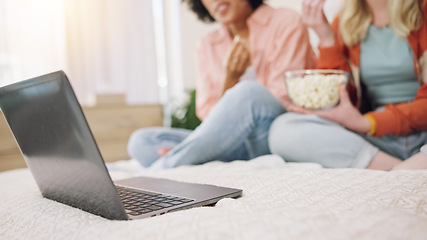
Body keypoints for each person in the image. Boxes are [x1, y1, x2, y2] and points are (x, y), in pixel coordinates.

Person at [127, 0, 317, 168]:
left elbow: (283, 96)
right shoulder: (206, 45)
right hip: (231, 143)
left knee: (249, 92)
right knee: (142, 142)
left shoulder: (286, 21)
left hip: (270, 135)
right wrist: (230, 79)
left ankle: (169, 165)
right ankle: (192, 156)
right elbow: (209, 117)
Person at [269, 0, 427, 170]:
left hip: (417, 130)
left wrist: (368, 122)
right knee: (284, 129)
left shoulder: (423, 11)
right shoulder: (345, 21)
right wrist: (326, 37)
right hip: (377, 137)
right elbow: (341, 97)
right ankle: (403, 169)